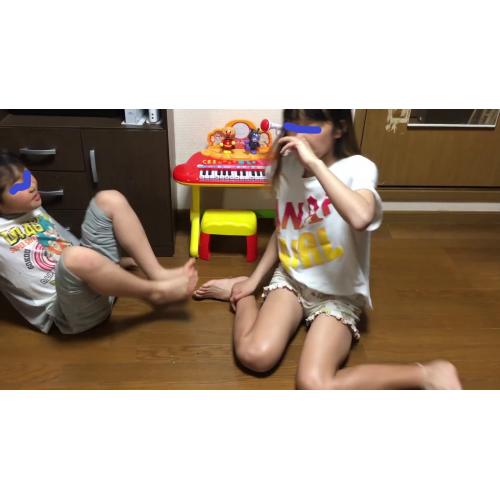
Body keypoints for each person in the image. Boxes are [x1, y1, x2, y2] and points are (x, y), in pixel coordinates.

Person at [194, 110, 461, 389]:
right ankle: (239, 294)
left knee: (314, 384)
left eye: (313, 125)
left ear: (339, 129)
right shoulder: (286, 166)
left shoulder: (358, 168)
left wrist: (315, 164)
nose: (300, 133)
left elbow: (361, 217)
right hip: (292, 279)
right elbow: (284, 228)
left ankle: (427, 374)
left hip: (338, 294)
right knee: (255, 355)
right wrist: (253, 280)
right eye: (295, 123)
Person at [0, 152, 197, 334]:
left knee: (109, 199)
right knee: (74, 256)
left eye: (27, 176)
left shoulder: (29, 205)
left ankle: (157, 274)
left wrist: (108, 264)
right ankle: (154, 293)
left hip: (90, 279)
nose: (31, 186)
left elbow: (63, 244)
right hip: (68, 313)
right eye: (17, 186)